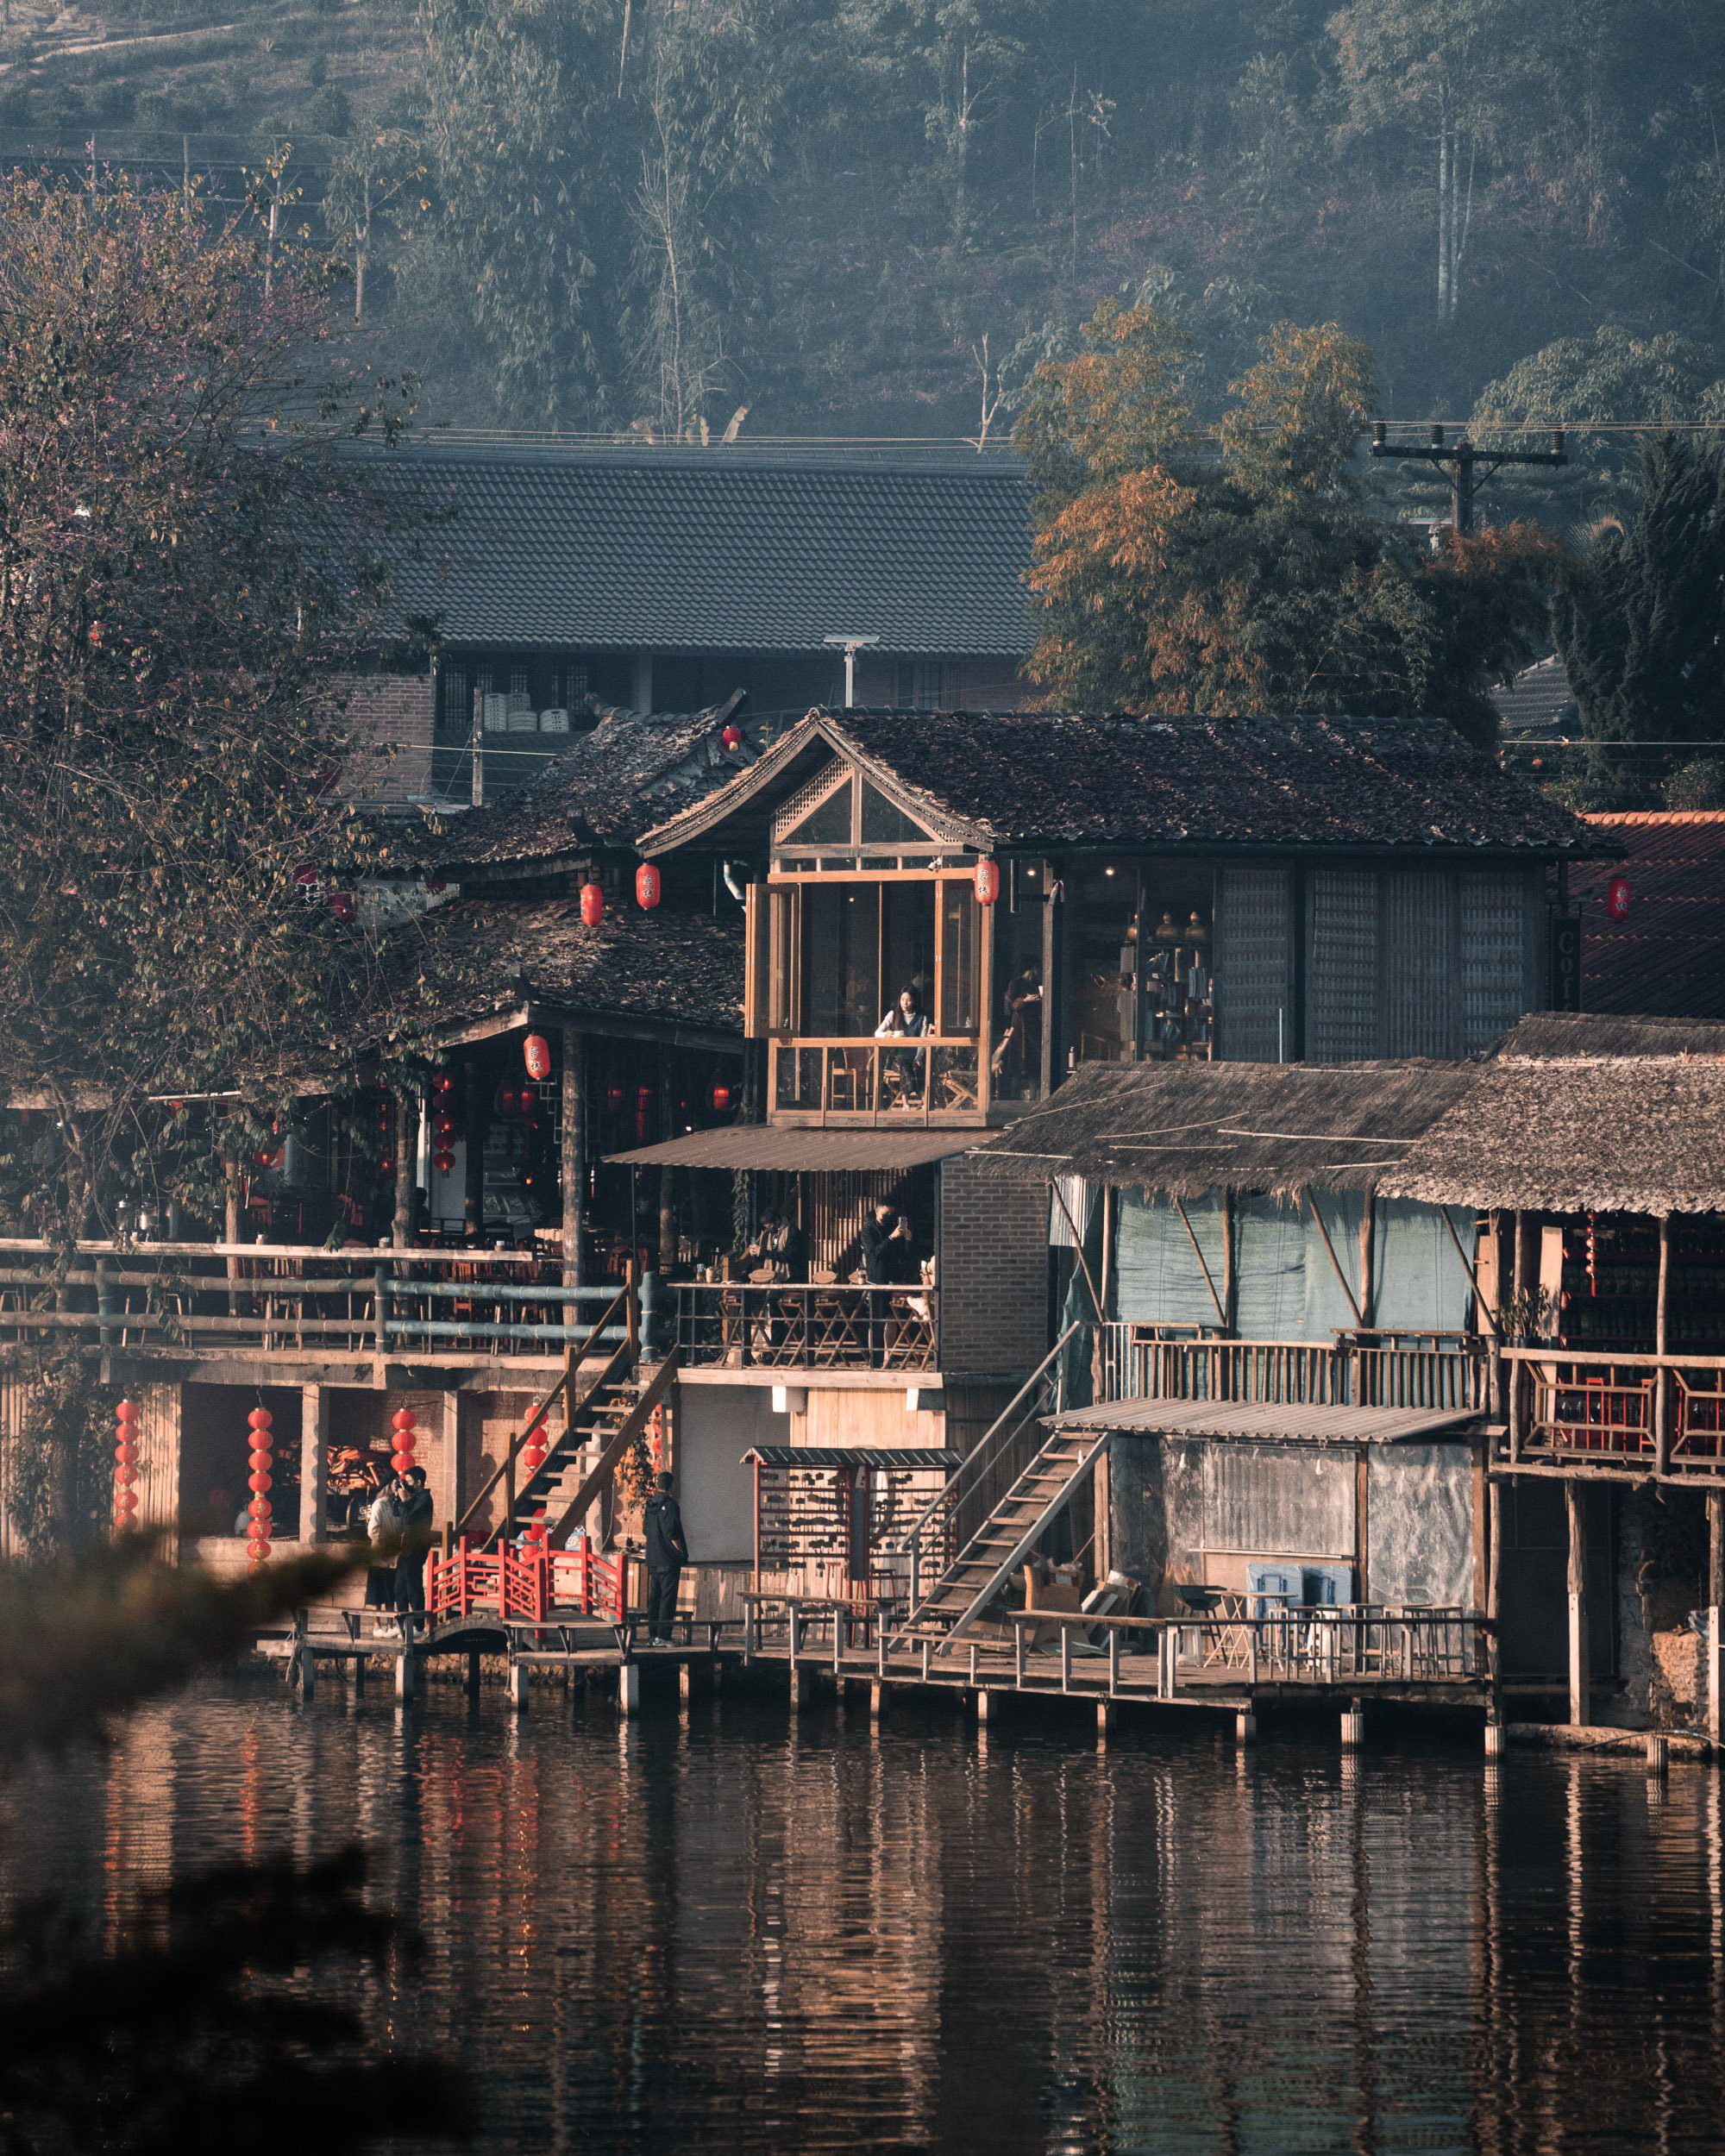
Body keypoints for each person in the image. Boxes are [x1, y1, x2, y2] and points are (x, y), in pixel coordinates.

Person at [643, 1470, 688, 1645]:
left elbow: (645, 1530)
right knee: (667, 1599)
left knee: (654, 1598)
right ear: (671, 1486)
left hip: (652, 1558)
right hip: (668, 1559)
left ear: (657, 1485)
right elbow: (672, 1532)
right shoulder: (670, 1505)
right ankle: (663, 1636)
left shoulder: (649, 1505)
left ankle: (652, 1635)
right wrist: (680, 1552)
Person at [394, 1465, 435, 1637]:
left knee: (413, 1586)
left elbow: (411, 1519)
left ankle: (418, 1626)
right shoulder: (412, 1497)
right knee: (399, 1588)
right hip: (405, 1548)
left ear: (418, 1482)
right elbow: (398, 1515)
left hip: (416, 1548)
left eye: (409, 1481)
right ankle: (402, 1624)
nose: (407, 1485)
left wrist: (405, 1501)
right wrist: (398, 1498)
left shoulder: (425, 1499)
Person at [365, 1473, 406, 1638]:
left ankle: (390, 1624)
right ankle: (377, 1625)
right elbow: (372, 1530)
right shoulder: (378, 1505)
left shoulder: (397, 1505)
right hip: (379, 1553)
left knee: (391, 1590)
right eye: (394, 1484)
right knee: (376, 1592)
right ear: (387, 1486)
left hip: (393, 1554)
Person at [874, 986, 929, 1104]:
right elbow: (877, 1033)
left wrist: (918, 1058)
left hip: (914, 1057)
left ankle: (925, 1103)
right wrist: (887, 1034)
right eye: (903, 999)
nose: (905, 1003)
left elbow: (923, 1042)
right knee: (905, 1067)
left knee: (916, 1068)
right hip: (897, 1059)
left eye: (908, 1000)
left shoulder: (921, 1018)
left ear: (914, 1001)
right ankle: (905, 1103)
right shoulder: (893, 1015)